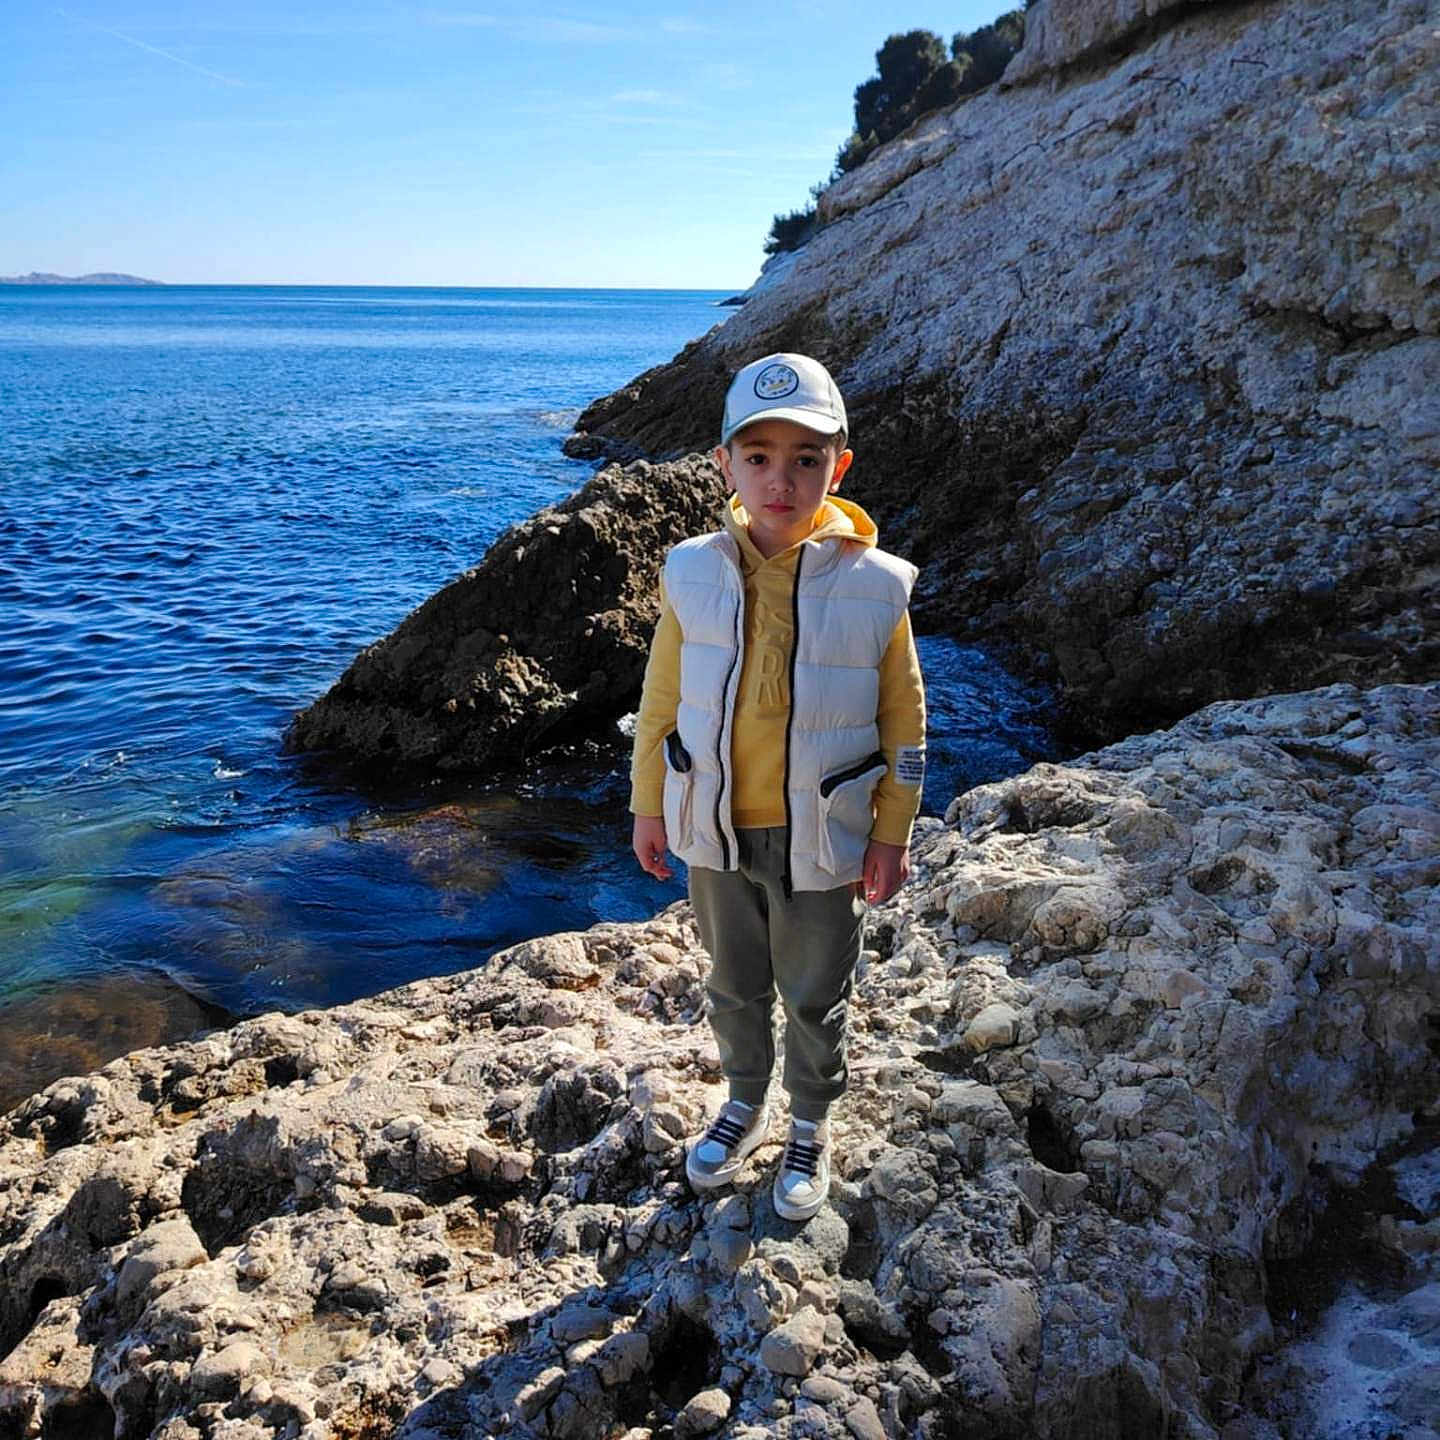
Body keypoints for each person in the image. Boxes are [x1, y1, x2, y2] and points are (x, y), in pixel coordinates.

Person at [629, 352, 926, 1222]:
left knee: (815, 991)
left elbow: (904, 719)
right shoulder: (691, 569)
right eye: (758, 457)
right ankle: (745, 1100)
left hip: (824, 832)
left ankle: (809, 1121)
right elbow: (660, 700)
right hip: (714, 826)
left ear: (839, 466)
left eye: (805, 458)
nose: (780, 480)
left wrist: (893, 829)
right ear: (725, 464)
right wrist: (648, 804)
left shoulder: (878, 585)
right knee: (733, 983)